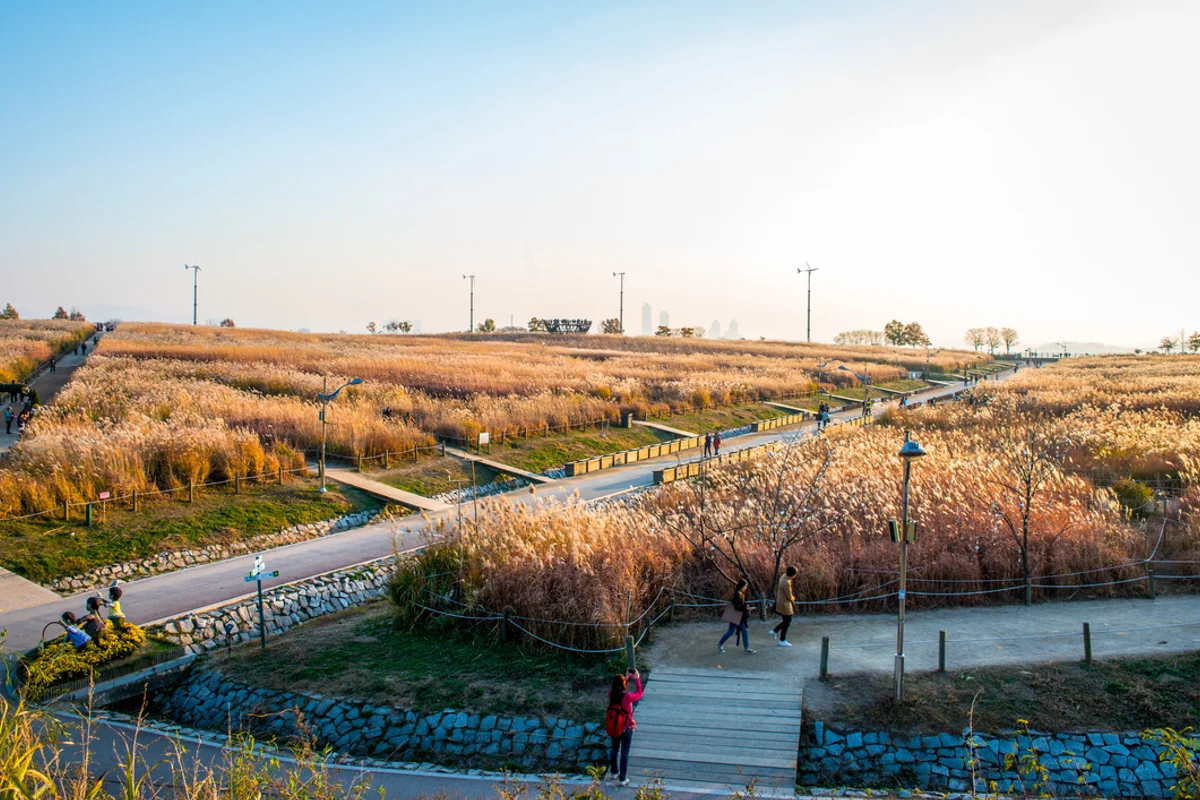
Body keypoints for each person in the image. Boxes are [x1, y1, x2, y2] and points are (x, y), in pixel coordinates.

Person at [605, 668, 644, 786]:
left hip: (615, 728)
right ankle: (623, 778)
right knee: (624, 753)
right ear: (622, 684)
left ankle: (614, 772)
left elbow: (617, 689)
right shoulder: (627, 697)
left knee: (614, 749)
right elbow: (639, 693)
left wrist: (626, 678)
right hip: (626, 728)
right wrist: (636, 679)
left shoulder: (611, 695)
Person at [718, 579, 755, 654]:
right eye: (745, 586)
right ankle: (720, 643)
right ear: (742, 586)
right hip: (736, 616)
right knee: (731, 631)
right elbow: (736, 607)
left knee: (744, 631)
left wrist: (745, 607)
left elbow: (739, 605)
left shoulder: (740, 593)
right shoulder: (737, 594)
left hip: (739, 617)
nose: (746, 588)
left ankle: (747, 648)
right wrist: (747, 608)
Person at [771, 566, 797, 647]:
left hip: (780, 601)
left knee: (786, 621)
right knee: (788, 621)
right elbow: (789, 596)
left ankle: (776, 632)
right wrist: (793, 598)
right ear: (793, 575)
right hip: (785, 604)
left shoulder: (783, 576)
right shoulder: (787, 582)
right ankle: (781, 639)